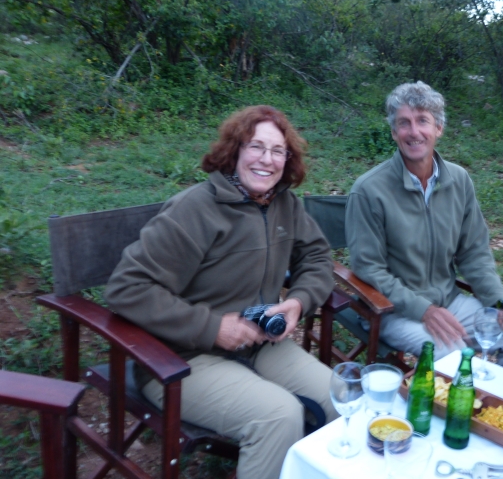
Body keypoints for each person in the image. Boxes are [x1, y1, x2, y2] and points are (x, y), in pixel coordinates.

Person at [105, 105, 338, 479]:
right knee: (278, 417)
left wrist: (299, 301)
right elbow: (127, 287)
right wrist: (212, 327)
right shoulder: (194, 209)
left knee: (341, 398)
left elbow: (317, 256)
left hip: (259, 344)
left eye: (278, 151)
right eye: (256, 146)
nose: (267, 159)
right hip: (182, 359)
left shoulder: (284, 204)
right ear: (235, 151)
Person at [346, 81, 503, 375]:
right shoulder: (369, 190)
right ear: (394, 132)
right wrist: (424, 310)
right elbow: (368, 268)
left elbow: (474, 253)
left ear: (438, 128)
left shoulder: (459, 180)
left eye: (422, 121)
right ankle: (453, 404)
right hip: (392, 310)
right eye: (404, 123)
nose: (414, 131)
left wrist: (501, 303)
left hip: (449, 302)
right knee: (452, 356)